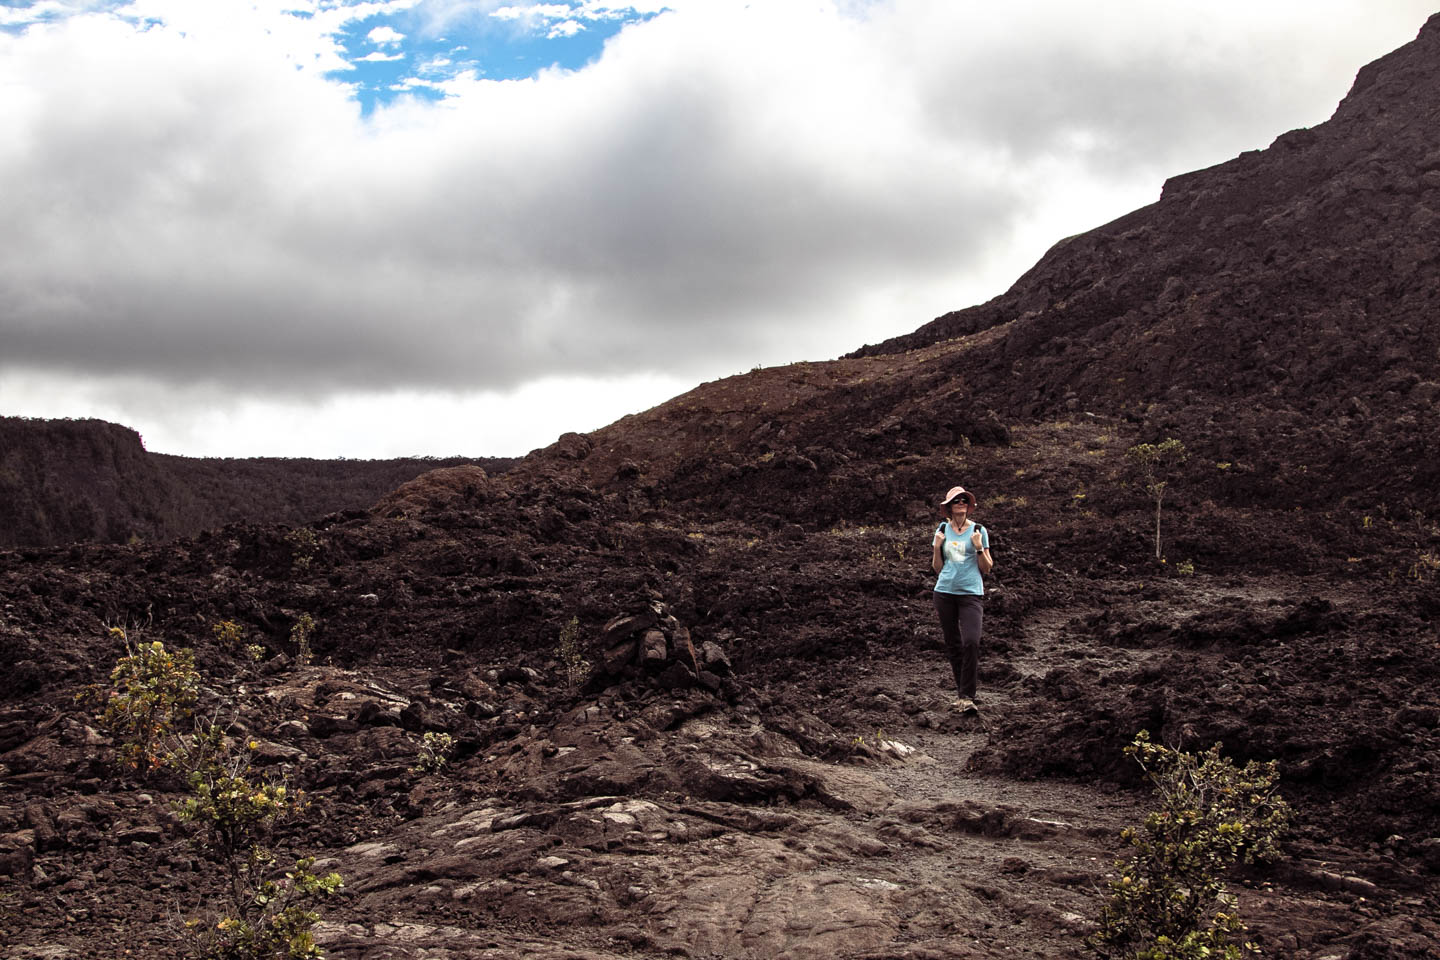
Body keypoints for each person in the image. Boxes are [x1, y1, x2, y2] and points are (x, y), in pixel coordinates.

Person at [931, 485, 993, 713]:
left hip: (970, 595)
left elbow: (987, 568)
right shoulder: (941, 530)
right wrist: (937, 548)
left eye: (964, 500)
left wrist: (978, 548)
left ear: (969, 505)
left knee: (971, 642)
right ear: (948, 506)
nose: (961, 503)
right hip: (944, 593)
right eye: (956, 500)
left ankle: (967, 695)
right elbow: (937, 568)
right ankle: (964, 696)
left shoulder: (978, 530)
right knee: (953, 644)